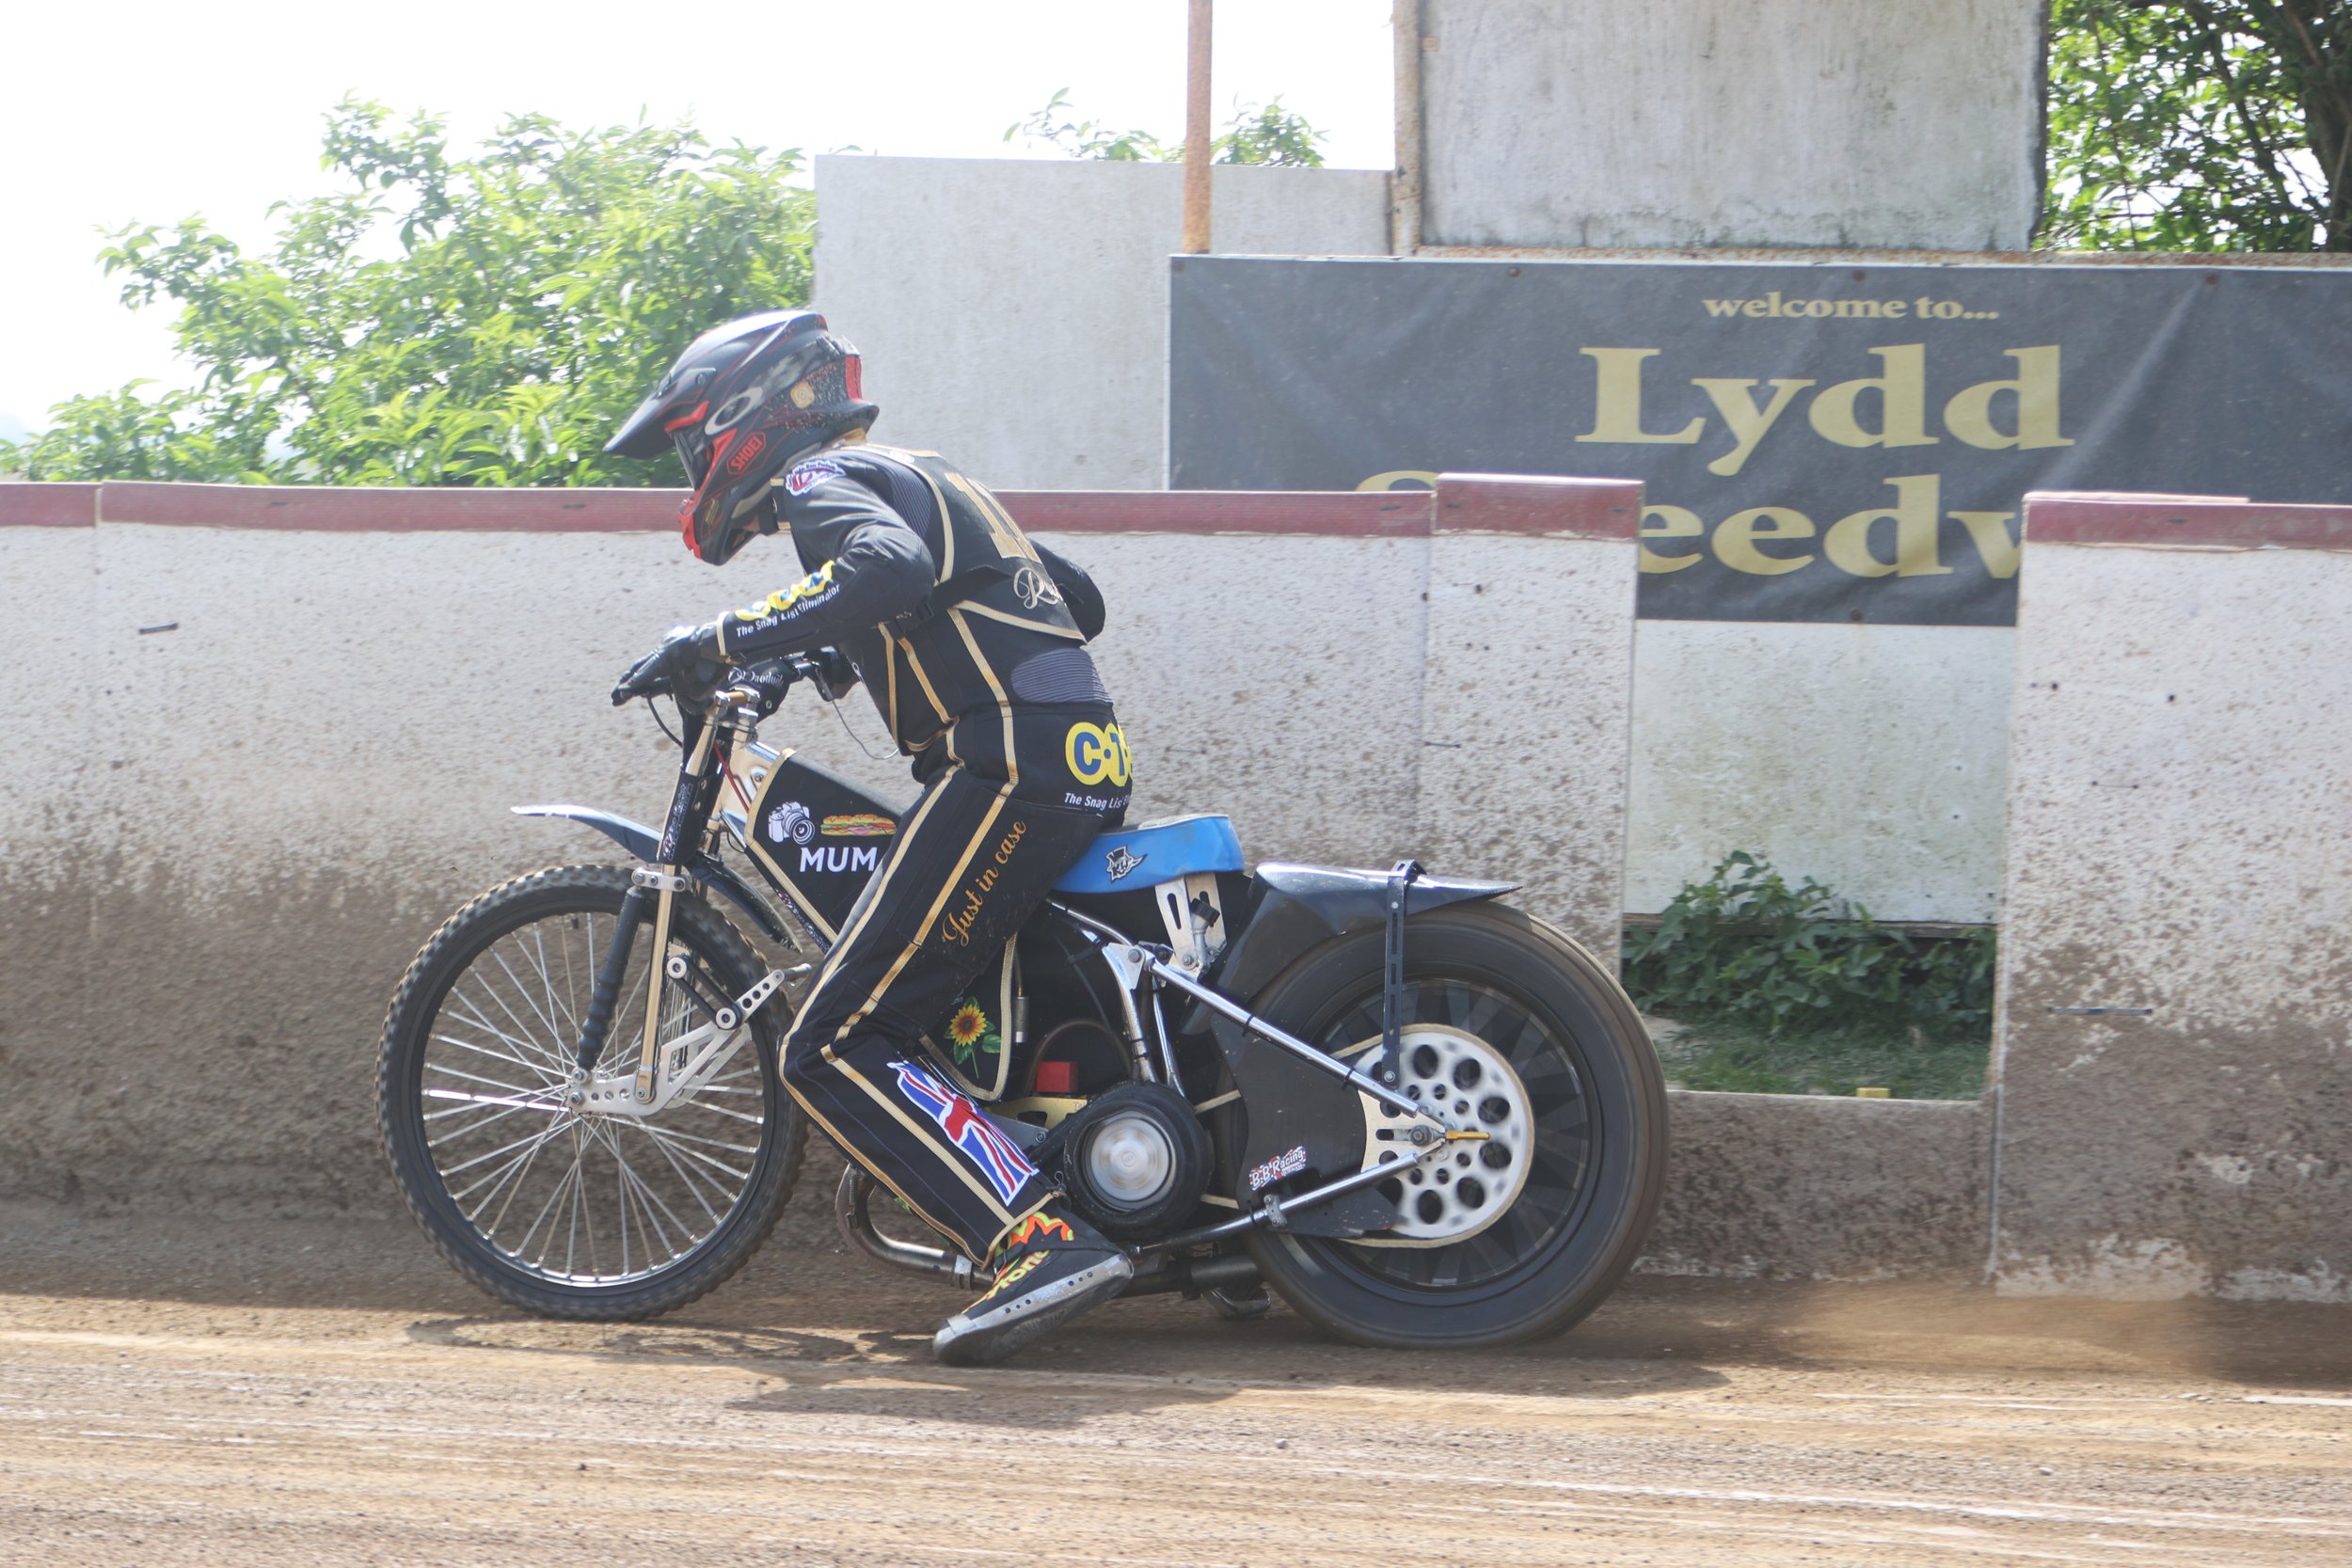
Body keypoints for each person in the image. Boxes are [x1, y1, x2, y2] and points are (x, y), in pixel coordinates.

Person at [604, 309, 1136, 1365]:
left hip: (1004, 770)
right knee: (923, 1006)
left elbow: (885, 569)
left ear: (746, 415)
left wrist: (715, 637)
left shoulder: (813, 486)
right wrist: (830, 644)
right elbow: (1074, 596)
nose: (693, 462)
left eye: (691, 439)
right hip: (1077, 764)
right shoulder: (924, 469)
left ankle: (1036, 1238)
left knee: (835, 1040)